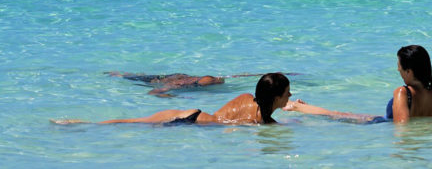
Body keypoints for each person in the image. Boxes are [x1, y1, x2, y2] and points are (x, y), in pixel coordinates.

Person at [284, 44, 432, 124]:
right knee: (345, 114)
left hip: (378, 125)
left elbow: (401, 128)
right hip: (384, 122)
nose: (398, 71)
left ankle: (296, 107)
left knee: (336, 114)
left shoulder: (403, 92)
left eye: (399, 67)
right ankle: (300, 107)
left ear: (409, 71)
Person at [55, 73, 291, 125]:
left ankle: (76, 124)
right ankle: (78, 125)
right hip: (194, 125)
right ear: (277, 96)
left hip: (191, 114)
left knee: (131, 122)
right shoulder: (262, 121)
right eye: (287, 92)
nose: (290, 95)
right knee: (133, 125)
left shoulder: (247, 98)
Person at [107, 72, 227, 96]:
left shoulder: (202, 79)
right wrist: (170, 97)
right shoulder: (177, 85)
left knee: (140, 75)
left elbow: (221, 79)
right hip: (157, 80)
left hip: (172, 76)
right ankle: (117, 74)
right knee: (136, 78)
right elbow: (152, 92)